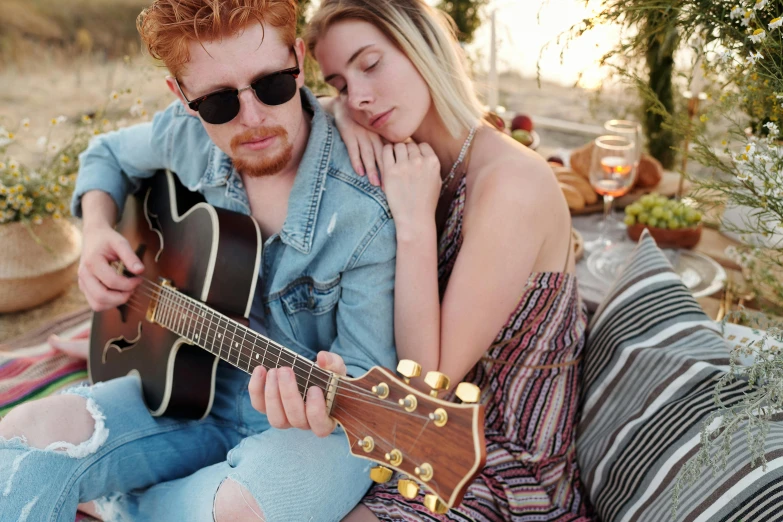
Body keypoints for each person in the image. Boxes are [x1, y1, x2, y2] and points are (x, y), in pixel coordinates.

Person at [0, 1, 398, 521]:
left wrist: (318, 405)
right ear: (181, 97)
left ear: (300, 62)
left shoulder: (364, 210)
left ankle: (117, 502)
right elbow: (105, 155)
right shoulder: (185, 137)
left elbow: (368, 374)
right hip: (181, 387)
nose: (252, 117)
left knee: (246, 512)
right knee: (20, 440)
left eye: (272, 85)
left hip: (303, 427)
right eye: (217, 102)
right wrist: (96, 232)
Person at [253, 0, 594, 520]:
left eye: (371, 65)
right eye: (343, 84)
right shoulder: (413, 157)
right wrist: (341, 112)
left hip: (497, 461)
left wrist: (413, 223)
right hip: (407, 438)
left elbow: (424, 384)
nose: (362, 96)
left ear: (422, 47)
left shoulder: (511, 183)